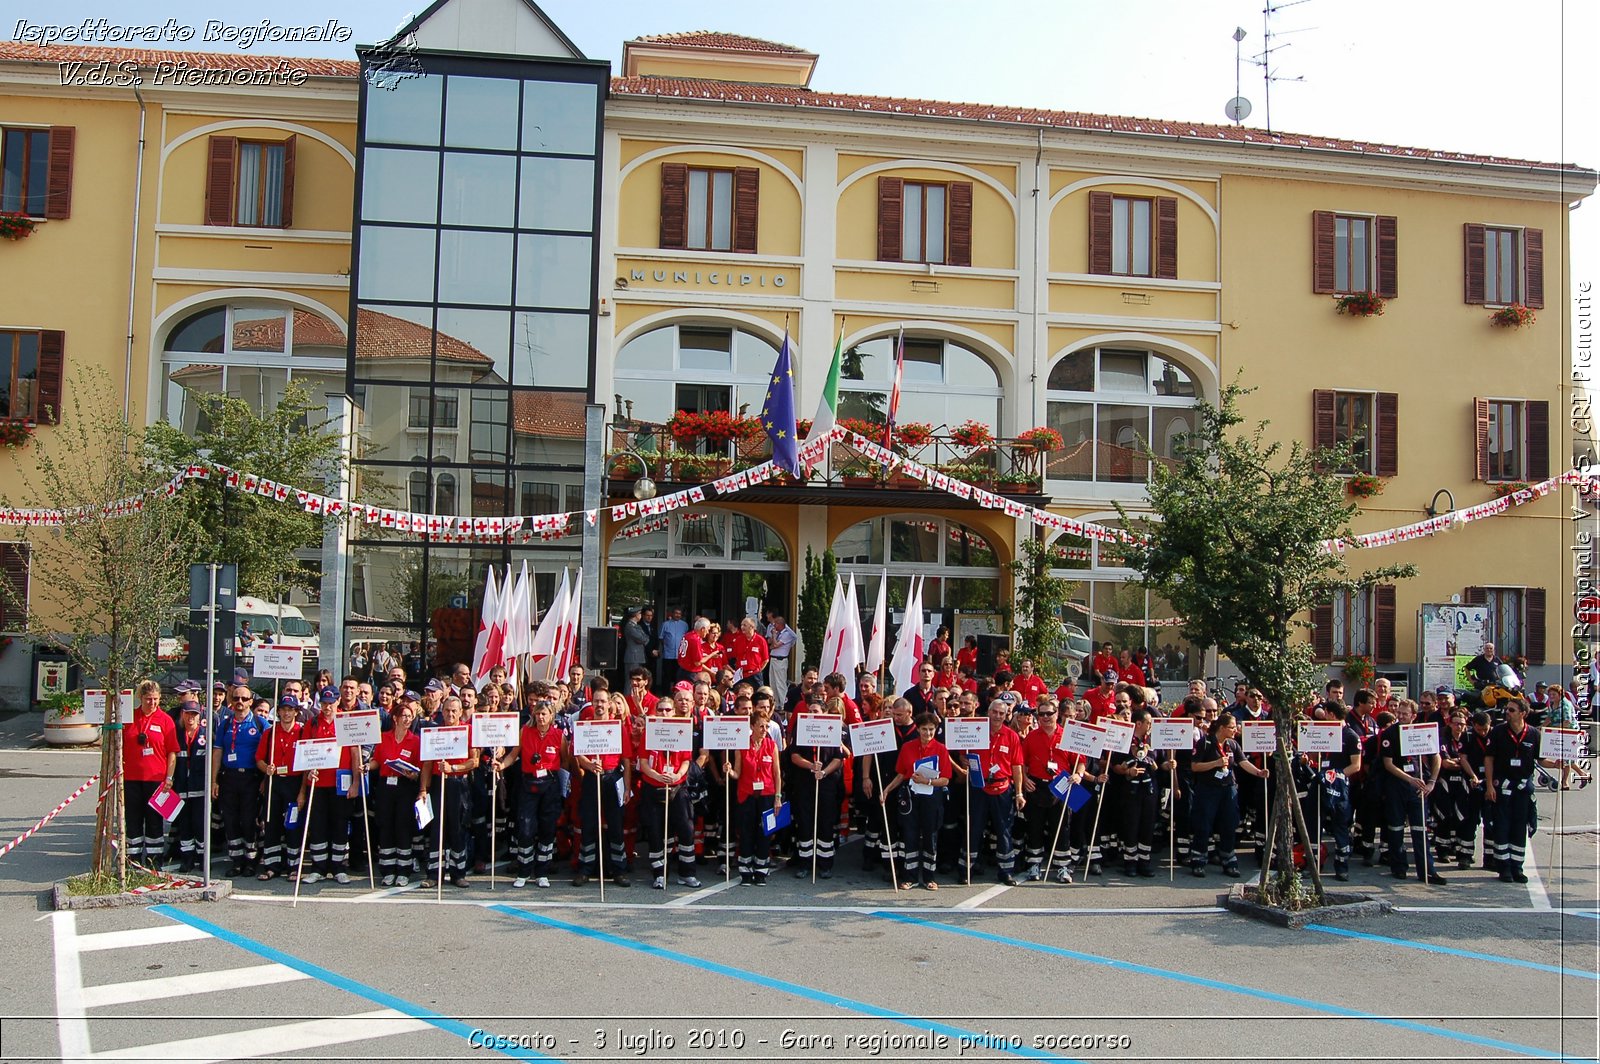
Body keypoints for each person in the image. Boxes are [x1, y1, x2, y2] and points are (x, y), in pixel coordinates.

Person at [1483, 699, 1559, 884]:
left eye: (1511, 710)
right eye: (1507, 709)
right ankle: (1504, 868)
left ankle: (1517, 867)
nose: (1507, 712)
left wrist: (1556, 764)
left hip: (1523, 789)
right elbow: (1489, 759)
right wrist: (1490, 786)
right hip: (1503, 787)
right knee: (1502, 827)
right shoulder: (1498, 731)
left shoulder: (1533, 734)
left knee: (1519, 828)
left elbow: (1541, 761)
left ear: (1523, 713)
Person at [1188, 712, 1267, 878]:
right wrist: (1215, 763)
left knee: (1229, 824)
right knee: (1204, 824)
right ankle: (1198, 861)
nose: (1234, 730)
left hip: (1228, 787)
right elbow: (1195, 766)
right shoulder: (1206, 742)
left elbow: (1242, 761)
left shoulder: (1232, 744)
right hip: (1208, 788)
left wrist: (1258, 772)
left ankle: (1229, 861)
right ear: (1222, 728)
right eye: (1231, 727)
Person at [879, 712, 953, 891]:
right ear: (918, 730)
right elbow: (901, 773)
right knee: (910, 836)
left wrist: (927, 781)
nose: (928, 733)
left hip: (932, 797)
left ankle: (929, 877)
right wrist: (886, 790)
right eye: (924, 729)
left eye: (931, 730)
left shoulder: (941, 749)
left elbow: (946, 779)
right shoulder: (907, 747)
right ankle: (909, 877)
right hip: (911, 796)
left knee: (930, 836)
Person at [1377, 700, 1447, 884]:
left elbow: (1436, 756)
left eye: (1405, 714)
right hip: (1397, 785)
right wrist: (1409, 780)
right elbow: (1388, 763)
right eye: (1399, 713)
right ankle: (1398, 867)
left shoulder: (1423, 732)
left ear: (1414, 716)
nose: (1400, 716)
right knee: (1396, 828)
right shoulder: (1390, 733)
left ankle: (1427, 870)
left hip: (1418, 786)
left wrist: (1431, 781)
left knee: (1420, 829)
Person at [637, 692, 701, 890]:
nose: (664, 712)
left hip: (677, 786)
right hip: (654, 786)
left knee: (685, 828)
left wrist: (676, 776)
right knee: (656, 832)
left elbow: (685, 759)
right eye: (660, 709)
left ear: (674, 712)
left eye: (668, 709)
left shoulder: (681, 730)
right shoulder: (649, 731)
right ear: (655, 712)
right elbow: (643, 762)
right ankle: (659, 874)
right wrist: (657, 776)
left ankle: (686, 873)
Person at [295, 689, 358, 885]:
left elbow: (355, 754)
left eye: (331, 702)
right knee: (318, 826)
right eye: (324, 703)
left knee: (340, 826)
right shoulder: (312, 723)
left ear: (338, 701)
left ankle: (339, 867)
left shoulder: (346, 722)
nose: (327, 707)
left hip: (341, 784)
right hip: (318, 784)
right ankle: (318, 868)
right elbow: (305, 755)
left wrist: (356, 783)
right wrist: (305, 785)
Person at [570, 691, 632, 887]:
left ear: (609, 704)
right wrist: (589, 765)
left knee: (615, 825)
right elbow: (579, 756)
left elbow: (627, 760)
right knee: (588, 823)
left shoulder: (618, 727)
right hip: (591, 777)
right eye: (596, 701)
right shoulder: (584, 726)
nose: (599, 704)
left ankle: (619, 869)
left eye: (603, 701)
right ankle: (585, 868)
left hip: (613, 777)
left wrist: (627, 788)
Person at [502, 699, 566, 889]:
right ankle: (523, 871)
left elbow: (566, 760)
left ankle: (542, 872)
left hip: (550, 785)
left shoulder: (558, 735)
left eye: (544, 713)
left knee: (547, 828)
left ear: (551, 716)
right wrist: (502, 765)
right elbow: (513, 755)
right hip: (529, 783)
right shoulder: (525, 731)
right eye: (537, 713)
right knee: (526, 827)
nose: (540, 717)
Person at [967, 697, 1026, 885]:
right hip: (979, 786)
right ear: (988, 712)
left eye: (1002, 713)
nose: (997, 716)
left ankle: (1005, 870)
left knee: (1004, 831)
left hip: (1002, 788)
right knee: (974, 828)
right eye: (994, 712)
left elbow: (1017, 766)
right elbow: (962, 754)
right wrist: (965, 764)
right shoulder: (975, 731)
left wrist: (1018, 793)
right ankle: (967, 867)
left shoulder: (1012, 736)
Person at [789, 695, 849, 879]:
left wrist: (824, 772)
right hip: (805, 783)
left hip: (827, 783)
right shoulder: (801, 727)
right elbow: (794, 755)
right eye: (810, 711)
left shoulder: (833, 727)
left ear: (824, 712)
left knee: (825, 824)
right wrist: (810, 766)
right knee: (806, 823)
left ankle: (825, 864)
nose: (812, 714)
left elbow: (839, 759)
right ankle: (805, 863)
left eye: (815, 711)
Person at [417, 696, 474, 888]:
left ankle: (458, 873)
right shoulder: (434, 732)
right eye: (447, 710)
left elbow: (474, 761)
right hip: (437, 784)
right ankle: (434, 874)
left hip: (458, 783)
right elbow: (426, 764)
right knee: (437, 829)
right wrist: (423, 789)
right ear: (442, 712)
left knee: (457, 828)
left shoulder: (468, 731)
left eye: (454, 711)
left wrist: (453, 769)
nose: (450, 714)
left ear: (460, 712)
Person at [212, 684, 266, 877]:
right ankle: (236, 860)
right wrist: (214, 781)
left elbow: (270, 751)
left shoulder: (260, 724)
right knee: (231, 819)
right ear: (231, 701)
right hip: (229, 778)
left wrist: (265, 780)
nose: (240, 703)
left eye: (244, 699)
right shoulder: (225, 725)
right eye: (236, 699)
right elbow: (218, 752)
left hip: (251, 778)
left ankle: (251, 860)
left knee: (249, 820)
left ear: (251, 702)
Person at [125, 680, 178, 870]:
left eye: (156, 699)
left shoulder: (165, 720)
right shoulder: (129, 718)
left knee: (155, 821)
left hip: (156, 779)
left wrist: (169, 778)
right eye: (149, 699)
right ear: (140, 698)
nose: (153, 703)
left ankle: (155, 860)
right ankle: (133, 859)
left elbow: (172, 751)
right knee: (133, 820)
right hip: (131, 778)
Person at [732, 699, 783, 885]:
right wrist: (729, 771)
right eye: (761, 726)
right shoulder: (742, 745)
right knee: (746, 832)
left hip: (767, 795)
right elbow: (737, 772)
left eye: (766, 726)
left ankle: (761, 869)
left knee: (764, 832)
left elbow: (777, 773)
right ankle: (746, 870)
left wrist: (778, 797)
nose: (764, 729)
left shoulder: (771, 745)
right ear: (752, 726)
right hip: (746, 795)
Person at [255, 695, 305, 881]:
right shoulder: (270, 733)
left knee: (293, 825)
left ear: (296, 712)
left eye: (290, 709)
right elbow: (259, 759)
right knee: (271, 823)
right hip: (274, 782)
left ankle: (294, 866)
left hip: (293, 782)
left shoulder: (302, 732)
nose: (286, 713)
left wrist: (302, 792)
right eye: (283, 709)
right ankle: (272, 866)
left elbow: (307, 765)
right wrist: (265, 768)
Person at [1111, 708, 1166, 877]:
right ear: (1139, 723)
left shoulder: (1154, 740)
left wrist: (1168, 765)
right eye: (1149, 723)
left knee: (1147, 825)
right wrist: (1127, 771)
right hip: (1130, 789)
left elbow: (1161, 762)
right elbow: (1115, 765)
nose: (1151, 726)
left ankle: (1145, 860)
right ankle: (1130, 861)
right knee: (1131, 824)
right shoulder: (1125, 740)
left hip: (1149, 789)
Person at [372, 700, 422, 886]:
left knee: (403, 826)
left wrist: (413, 774)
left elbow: (419, 769)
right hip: (386, 786)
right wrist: (365, 767)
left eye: (410, 716)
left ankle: (404, 869)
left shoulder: (415, 740)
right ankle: (387, 868)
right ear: (395, 718)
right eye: (404, 716)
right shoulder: (384, 737)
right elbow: (377, 761)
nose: (408, 719)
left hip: (405, 787)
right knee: (386, 825)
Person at [166, 699, 208, 874]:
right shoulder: (176, 734)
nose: (191, 717)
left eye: (194, 714)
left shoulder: (206, 735)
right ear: (182, 714)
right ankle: (187, 859)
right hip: (181, 787)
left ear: (199, 716)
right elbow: (171, 757)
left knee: (200, 824)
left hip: (200, 788)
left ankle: (202, 859)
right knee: (185, 825)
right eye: (188, 713)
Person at [765, 613, 797, 703]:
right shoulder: (778, 633)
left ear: (780, 624)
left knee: (780, 683)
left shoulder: (787, 634)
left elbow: (775, 645)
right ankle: (776, 703)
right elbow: (770, 645)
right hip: (773, 658)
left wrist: (774, 636)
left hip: (780, 660)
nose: (774, 626)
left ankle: (784, 703)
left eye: (775, 624)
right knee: (773, 683)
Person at [657, 607, 688, 686]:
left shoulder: (684, 625)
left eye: (679, 614)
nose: (677, 615)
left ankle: (676, 692)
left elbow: (687, 639)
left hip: (680, 656)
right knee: (667, 675)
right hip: (668, 654)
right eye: (676, 613)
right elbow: (661, 638)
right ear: (672, 614)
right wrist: (666, 645)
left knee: (678, 676)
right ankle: (666, 693)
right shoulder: (665, 624)